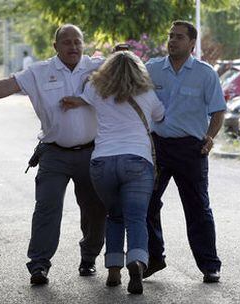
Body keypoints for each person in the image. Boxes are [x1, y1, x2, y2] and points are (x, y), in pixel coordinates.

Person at [0, 24, 106, 285]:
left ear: (83, 44)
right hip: (54, 154)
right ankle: (39, 265)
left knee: (95, 209)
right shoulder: (40, 72)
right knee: (47, 209)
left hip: (91, 152)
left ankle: (89, 257)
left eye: (78, 42)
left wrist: (124, 55)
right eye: (67, 42)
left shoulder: (98, 67)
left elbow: (129, 71)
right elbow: (7, 85)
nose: (73, 47)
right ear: (56, 46)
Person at [61, 50, 164, 294]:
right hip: (137, 162)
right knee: (136, 218)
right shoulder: (147, 93)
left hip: (102, 163)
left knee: (114, 216)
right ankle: (137, 262)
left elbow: (82, 98)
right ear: (139, 71)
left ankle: (113, 270)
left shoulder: (97, 90)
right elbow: (160, 117)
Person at [143, 20, 226, 283]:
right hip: (158, 147)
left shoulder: (205, 74)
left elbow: (218, 110)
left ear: (192, 43)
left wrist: (210, 137)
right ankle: (154, 258)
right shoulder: (152, 69)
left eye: (179, 37)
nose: (172, 41)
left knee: (198, 207)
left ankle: (209, 265)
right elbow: (133, 96)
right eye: (170, 36)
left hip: (191, 149)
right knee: (147, 203)